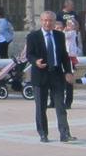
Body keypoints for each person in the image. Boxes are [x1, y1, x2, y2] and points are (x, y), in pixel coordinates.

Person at [26, 11, 75, 142]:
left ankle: (64, 133)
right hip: (40, 75)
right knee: (41, 107)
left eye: (51, 21)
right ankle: (43, 133)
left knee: (60, 105)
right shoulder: (33, 36)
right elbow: (29, 55)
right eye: (45, 20)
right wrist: (36, 61)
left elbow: (64, 55)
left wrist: (68, 71)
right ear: (41, 21)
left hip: (56, 74)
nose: (48, 23)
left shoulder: (59, 35)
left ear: (55, 22)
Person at [62, 16, 81, 109]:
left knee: (68, 79)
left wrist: (64, 30)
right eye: (67, 24)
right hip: (65, 56)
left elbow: (64, 36)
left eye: (70, 24)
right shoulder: (69, 32)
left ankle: (68, 102)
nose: (68, 26)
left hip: (70, 57)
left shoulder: (72, 33)